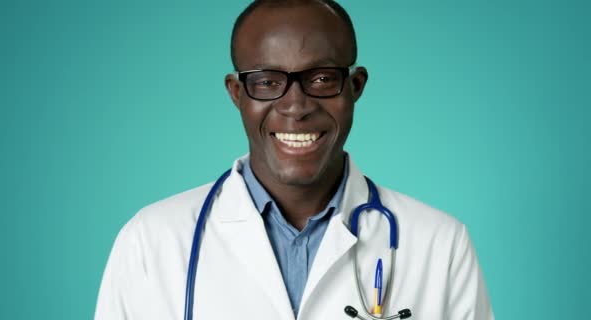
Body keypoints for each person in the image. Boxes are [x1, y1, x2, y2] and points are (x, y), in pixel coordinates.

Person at [95, 1, 494, 319]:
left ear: (355, 87)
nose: (296, 106)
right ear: (237, 94)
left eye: (321, 78)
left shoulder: (439, 244)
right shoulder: (151, 242)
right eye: (268, 82)